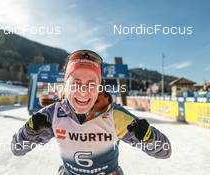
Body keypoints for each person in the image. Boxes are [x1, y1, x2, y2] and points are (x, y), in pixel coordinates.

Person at [11, 50, 171, 175]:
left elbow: (164, 152)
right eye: (76, 83)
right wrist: (29, 131)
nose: (83, 91)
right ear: (65, 86)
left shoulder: (116, 116)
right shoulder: (52, 115)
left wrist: (149, 137)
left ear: (99, 87)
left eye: (91, 84)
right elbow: (17, 149)